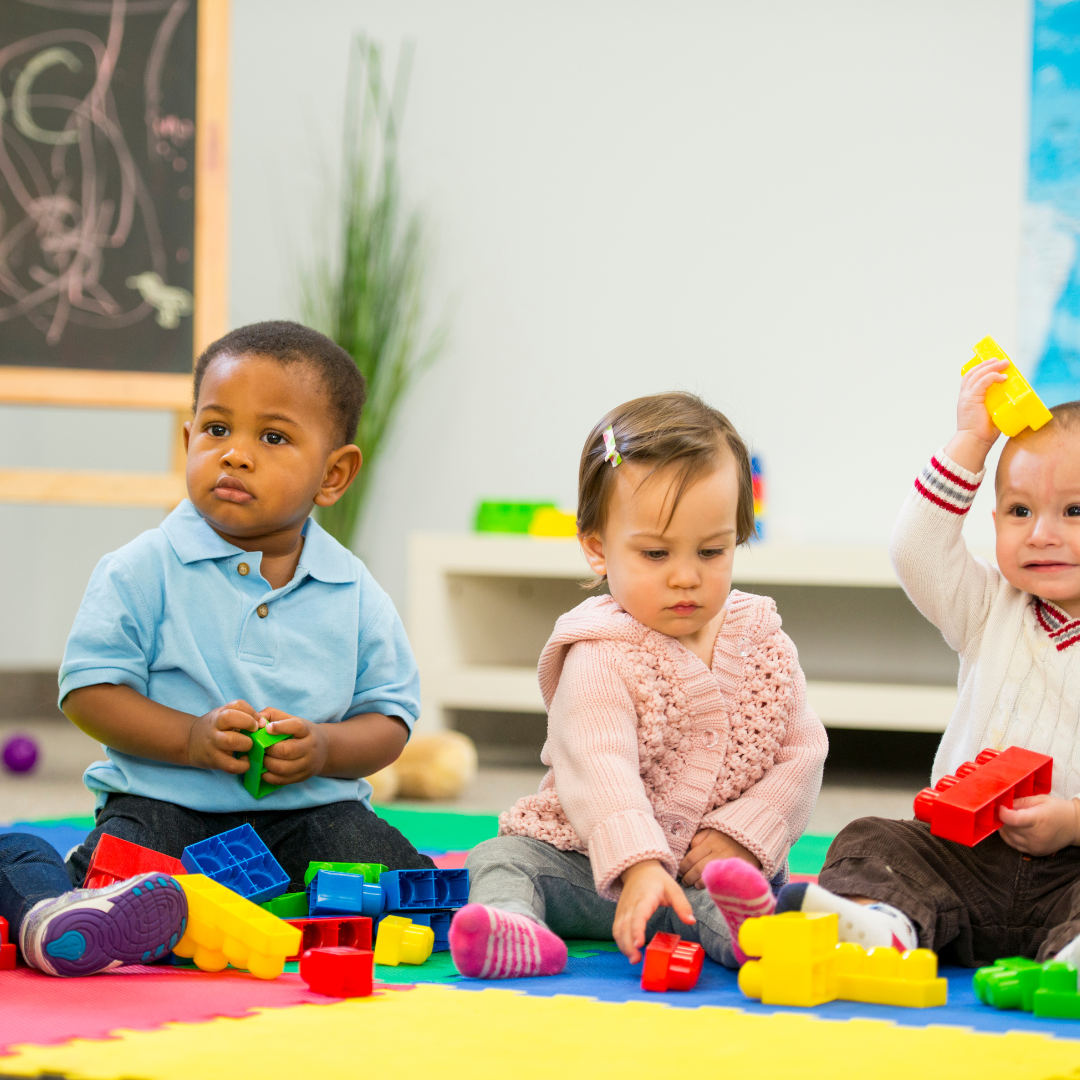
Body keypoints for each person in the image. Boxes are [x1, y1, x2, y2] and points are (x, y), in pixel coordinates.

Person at [0, 320, 432, 975]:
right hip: (166, 804)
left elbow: (389, 720)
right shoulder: (141, 568)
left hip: (308, 810)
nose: (234, 454)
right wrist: (191, 739)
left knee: (401, 881)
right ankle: (73, 912)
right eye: (216, 429)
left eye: (274, 437)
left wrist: (323, 747)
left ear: (334, 474)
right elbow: (87, 693)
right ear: (187, 441)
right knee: (131, 865)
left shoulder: (354, 589)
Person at [449, 392, 828, 978]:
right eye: (655, 553)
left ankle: (750, 934)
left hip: (708, 868)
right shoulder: (600, 652)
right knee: (500, 857)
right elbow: (600, 766)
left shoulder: (764, 639)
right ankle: (513, 927)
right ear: (598, 548)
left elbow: (802, 751)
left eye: (712, 551)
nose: (685, 576)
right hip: (588, 868)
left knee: (735, 895)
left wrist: (744, 836)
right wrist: (639, 863)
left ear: (739, 540)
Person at [778, 357, 1080, 967]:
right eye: (1020, 512)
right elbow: (914, 551)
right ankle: (888, 923)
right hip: (961, 862)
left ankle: (1072, 954)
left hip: (1071, 871)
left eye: (1074, 512)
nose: (1042, 534)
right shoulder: (990, 607)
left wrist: (1073, 821)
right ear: (992, 522)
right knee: (868, 837)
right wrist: (971, 442)